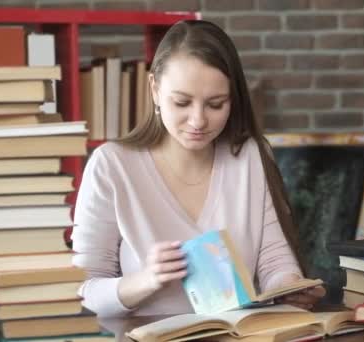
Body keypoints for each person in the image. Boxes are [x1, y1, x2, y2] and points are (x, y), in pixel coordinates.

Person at [71, 20, 325, 317]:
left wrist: (290, 288)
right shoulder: (112, 166)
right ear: (154, 89)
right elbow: (82, 292)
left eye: (215, 104)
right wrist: (144, 281)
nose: (198, 121)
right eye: (182, 102)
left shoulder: (249, 156)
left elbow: (274, 260)